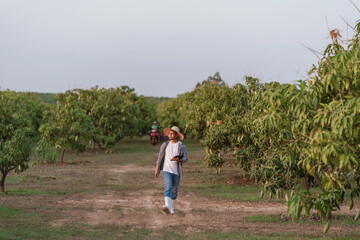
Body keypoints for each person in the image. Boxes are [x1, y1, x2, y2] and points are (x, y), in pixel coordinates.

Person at [154, 126, 188, 214]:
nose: (170, 135)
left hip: (177, 171)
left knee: (174, 190)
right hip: (166, 170)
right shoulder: (165, 144)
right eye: (169, 133)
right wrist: (157, 170)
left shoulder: (181, 146)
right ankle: (167, 206)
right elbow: (160, 158)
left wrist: (180, 159)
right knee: (168, 187)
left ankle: (171, 208)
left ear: (176, 135)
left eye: (172, 133)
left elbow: (186, 158)